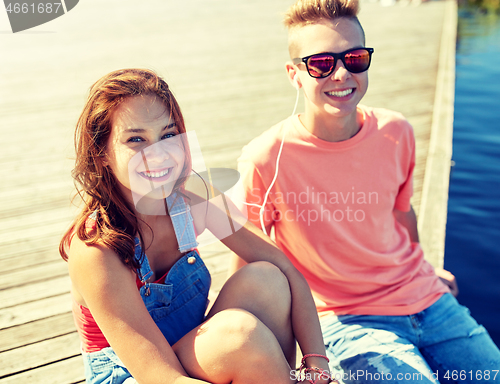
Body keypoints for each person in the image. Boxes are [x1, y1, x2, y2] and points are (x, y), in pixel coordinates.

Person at [231, 0, 500, 383]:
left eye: (354, 58)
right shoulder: (266, 158)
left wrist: (425, 266)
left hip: (429, 300)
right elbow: (250, 256)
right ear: (294, 74)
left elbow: (402, 213)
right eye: (321, 64)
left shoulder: (397, 131)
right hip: (348, 320)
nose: (341, 74)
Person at [59, 68, 334, 384]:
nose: (158, 154)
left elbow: (286, 269)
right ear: (101, 153)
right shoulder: (97, 249)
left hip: (186, 351)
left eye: (168, 135)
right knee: (239, 336)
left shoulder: (192, 197)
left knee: (267, 280)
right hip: (137, 375)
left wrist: (316, 364)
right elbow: (161, 376)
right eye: (136, 139)